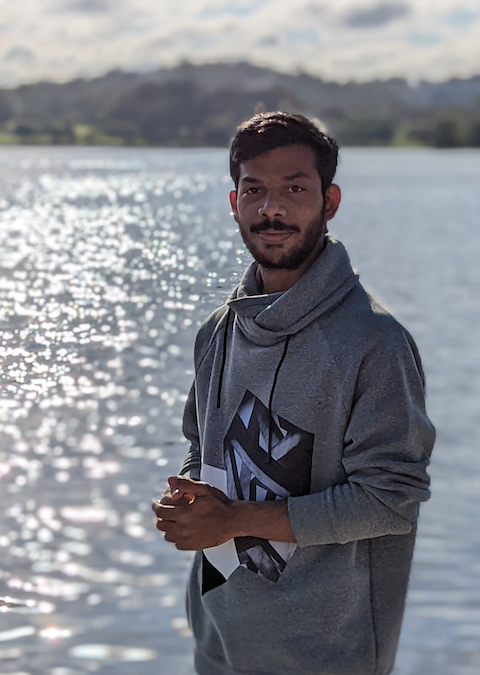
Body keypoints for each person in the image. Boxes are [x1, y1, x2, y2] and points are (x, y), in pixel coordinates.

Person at [152, 112, 435, 675]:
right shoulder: (218, 332)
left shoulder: (375, 343)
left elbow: (390, 500)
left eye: (294, 189)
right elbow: (201, 448)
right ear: (233, 203)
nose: (271, 209)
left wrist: (233, 520)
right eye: (254, 190)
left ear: (329, 202)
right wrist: (192, 504)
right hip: (219, 640)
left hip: (326, 655)